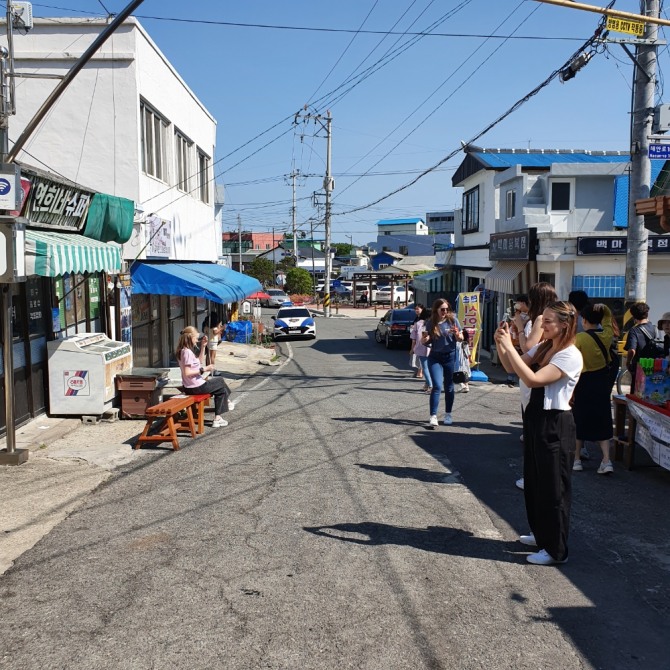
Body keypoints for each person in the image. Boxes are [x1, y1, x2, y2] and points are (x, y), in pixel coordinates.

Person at [494, 301, 582, 566]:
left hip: (555, 421)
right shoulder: (545, 346)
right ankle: (540, 534)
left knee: (554, 487)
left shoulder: (569, 354)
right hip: (535, 416)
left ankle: (556, 549)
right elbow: (513, 368)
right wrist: (502, 343)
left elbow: (533, 379)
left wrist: (511, 347)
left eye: (549, 321)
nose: (543, 325)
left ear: (565, 324)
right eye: (544, 320)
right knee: (534, 481)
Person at [512, 282, 558, 490]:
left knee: (533, 425)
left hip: (534, 373)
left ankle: (533, 476)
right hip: (538, 371)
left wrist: (521, 328)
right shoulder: (545, 318)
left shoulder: (539, 319)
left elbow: (528, 347)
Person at [572, 303, 615, 475]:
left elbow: (574, 364)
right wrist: (605, 308)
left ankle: (576, 460)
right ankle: (606, 460)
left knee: (579, 419)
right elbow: (608, 321)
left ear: (584, 320)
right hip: (602, 382)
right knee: (603, 419)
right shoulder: (607, 335)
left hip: (583, 381)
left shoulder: (580, 338)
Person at [176, 326, 234, 428]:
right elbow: (187, 372)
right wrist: (204, 369)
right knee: (220, 381)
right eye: (195, 338)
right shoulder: (187, 352)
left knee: (220, 391)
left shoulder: (182, 351)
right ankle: (226, 402)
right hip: (196, 387)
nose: (197, 340)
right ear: (190, 337)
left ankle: (218, 418)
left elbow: (199, 361)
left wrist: (203, 347)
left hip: (189, 386)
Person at [421, 298, 464, 427]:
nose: (445, 311)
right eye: (442, 309)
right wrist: (425, 338)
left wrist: (457, 334)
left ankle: (448, 414)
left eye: (446, 309)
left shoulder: (453, 321)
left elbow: (461, 338)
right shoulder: (431, 322)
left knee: (449, 387)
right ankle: (433, 415)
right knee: (437, 386)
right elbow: (425, 342)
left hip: (450, 357)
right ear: (436, 310)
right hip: (435, 357)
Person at [624, 302, 663, 378]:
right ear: (647, 314)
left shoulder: (634, 331)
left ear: (633, 316)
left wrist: (628, 362)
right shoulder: (655, 328)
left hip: (640, 367)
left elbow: (632, 350)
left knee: (639, 389)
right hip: (656, 366)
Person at [410, 308, 432, 393]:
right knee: (430, 367)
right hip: (433, 348)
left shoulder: (418, 324)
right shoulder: (434, 324)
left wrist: (412, 349)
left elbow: (413, 339)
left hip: (421, 347)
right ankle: (428, 384)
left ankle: (430, 385)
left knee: (425, 367)